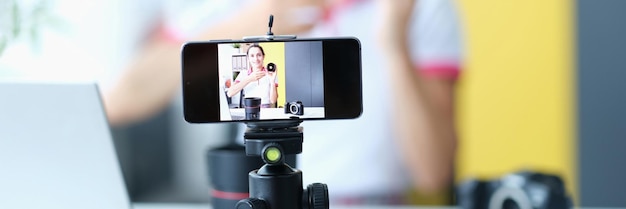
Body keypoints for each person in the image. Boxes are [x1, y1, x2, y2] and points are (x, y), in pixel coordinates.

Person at [102, 0, 462, 205]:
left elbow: (434, 173)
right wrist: (254, 22)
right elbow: (119, 101)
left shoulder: (417, 9)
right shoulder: (240, 6)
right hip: (251, 194)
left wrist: (394, 43)